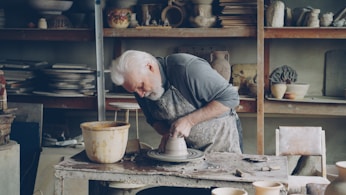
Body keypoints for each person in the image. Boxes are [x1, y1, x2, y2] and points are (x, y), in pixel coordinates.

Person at [110, 50, 242, 153]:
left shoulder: (187, 69)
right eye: (134, 91)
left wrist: (189, 121)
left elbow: (231, 97)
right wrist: (168, 133)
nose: (140, 94)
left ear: (150, 67)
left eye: (140, 86)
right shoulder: (140, 90)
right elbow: (154, 120)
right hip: (187, 152)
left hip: (221, 144)